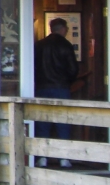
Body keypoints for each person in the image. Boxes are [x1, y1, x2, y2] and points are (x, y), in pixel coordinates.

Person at [34, 18, 79, 167]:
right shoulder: (65, 45)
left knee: (42, 122)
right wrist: (67, 81)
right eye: (66, 28)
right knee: (63, 122)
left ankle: (42, 157)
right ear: (62, 29)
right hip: (61, 88)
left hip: (41, 87)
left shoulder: (39, 45)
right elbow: (73, 70)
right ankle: (63, 157)